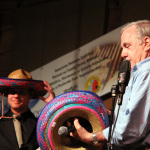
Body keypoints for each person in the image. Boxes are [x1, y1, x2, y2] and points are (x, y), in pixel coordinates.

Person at [70, 20, 150, 150]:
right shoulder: (138, 73)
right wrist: (103, 113)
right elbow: (128, 120)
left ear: (147, 43)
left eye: (127, 46)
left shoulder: (147, 72)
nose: (122, 54)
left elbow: (130, 131)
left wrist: (91, 137)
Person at [0, 69, 55, 150]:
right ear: (7, 94)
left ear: (30, 94)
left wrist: (53, 106)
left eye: (21, 92)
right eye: (12, 91)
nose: (16, 96)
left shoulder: (41, 126)